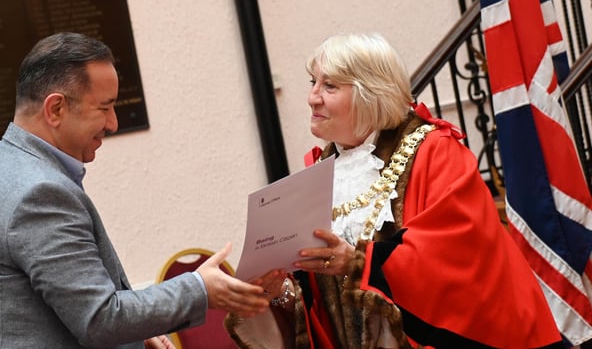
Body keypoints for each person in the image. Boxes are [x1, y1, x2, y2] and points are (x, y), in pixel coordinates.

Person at [225, 33, 563, 348]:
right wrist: (278, 291)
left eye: (329, 86)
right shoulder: (318, 174)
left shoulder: (437, 151)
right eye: (313, 82)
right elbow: (318, 301)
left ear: (369, 94)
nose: (312, 97)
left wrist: (358, 262)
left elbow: (457, 259)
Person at [0, 32, 269, 349]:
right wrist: (199, 288)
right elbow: (99, 320)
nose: (114, 123)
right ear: (56, 109)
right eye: (105, 108)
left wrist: (136, 336)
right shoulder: (38, 193)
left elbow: (56, 305)